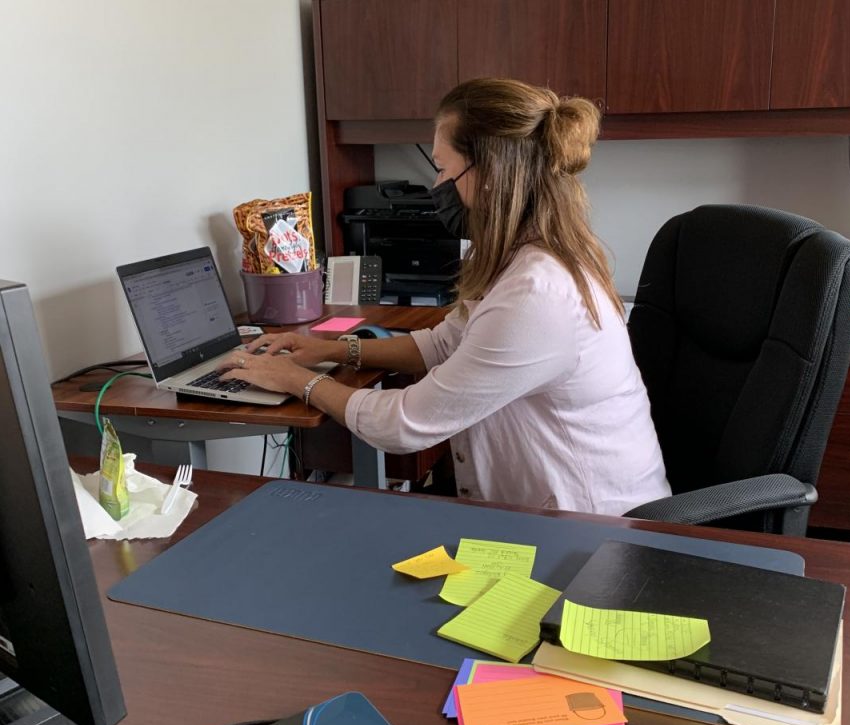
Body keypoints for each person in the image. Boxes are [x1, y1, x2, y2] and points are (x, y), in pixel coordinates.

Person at [218, 77, 670, 515]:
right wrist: (328, 348)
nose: (436, 185)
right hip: (545, 509)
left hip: (595, 530)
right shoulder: (521, 257)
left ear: (489, 173)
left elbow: (402, 424)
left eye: (443, 168)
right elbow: (442, 343)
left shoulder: (538, 293)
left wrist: (297, 380)